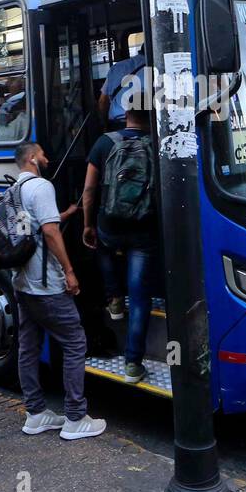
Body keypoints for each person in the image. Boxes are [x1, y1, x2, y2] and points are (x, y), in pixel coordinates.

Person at [10, 141, 105, 440]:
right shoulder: (41, 187)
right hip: (46, 286)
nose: (48, 159)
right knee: (75, 342)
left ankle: (35, 414)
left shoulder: (14, 190)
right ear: (32, 158)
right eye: (44, 154)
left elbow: (33, 229)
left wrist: (65, 214)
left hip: (22, 284)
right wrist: (69, 271)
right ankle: (75, 417)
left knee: (28, 347)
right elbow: (49, 233)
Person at [81, 106, 159, 384]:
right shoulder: (157, 143)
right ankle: (133, 364)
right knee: (140, 297)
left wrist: (88, 224)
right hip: (144, 229)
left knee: (101, 246)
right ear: (150, 117)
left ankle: (114, 298)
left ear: (125, 115)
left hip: (109, 224)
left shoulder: (104, 142)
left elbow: (89, 190)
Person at [97, 35, 148, 131]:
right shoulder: (158, 67)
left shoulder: (116, 68)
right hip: (146, 124)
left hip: (118, 125)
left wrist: (105, 125)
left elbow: (103, 101)